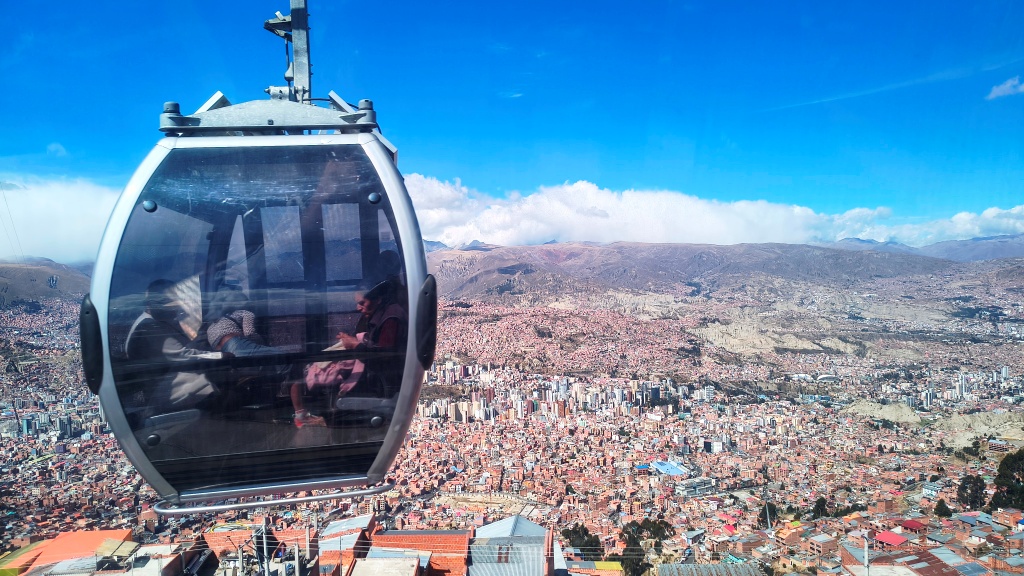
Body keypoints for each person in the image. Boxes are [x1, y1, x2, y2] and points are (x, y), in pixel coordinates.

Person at [124, 279, 220, 411]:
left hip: (164, 387)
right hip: (162, 394)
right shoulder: (149, 327)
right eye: (170, 304)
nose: (175, 309)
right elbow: (184, 356)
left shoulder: (149, 322)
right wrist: (220, 355)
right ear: (153, 304)